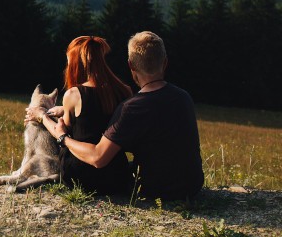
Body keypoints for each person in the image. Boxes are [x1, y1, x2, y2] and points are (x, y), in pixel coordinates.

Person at [43, 31, 204, 201]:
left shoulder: (132, 107)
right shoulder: (183, 97)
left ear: (131, 65)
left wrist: (62, 137)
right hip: (192, 186)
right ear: (165, 63)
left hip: (155, 190)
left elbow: (98, 158)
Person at [26, 36, 133, 194]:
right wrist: (64, 108)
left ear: (77, 63)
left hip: (81, 176)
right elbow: (98, 111)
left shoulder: (74, 94)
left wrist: (41, 115)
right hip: (116, 176)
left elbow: (61, 132)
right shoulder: (124, 90)